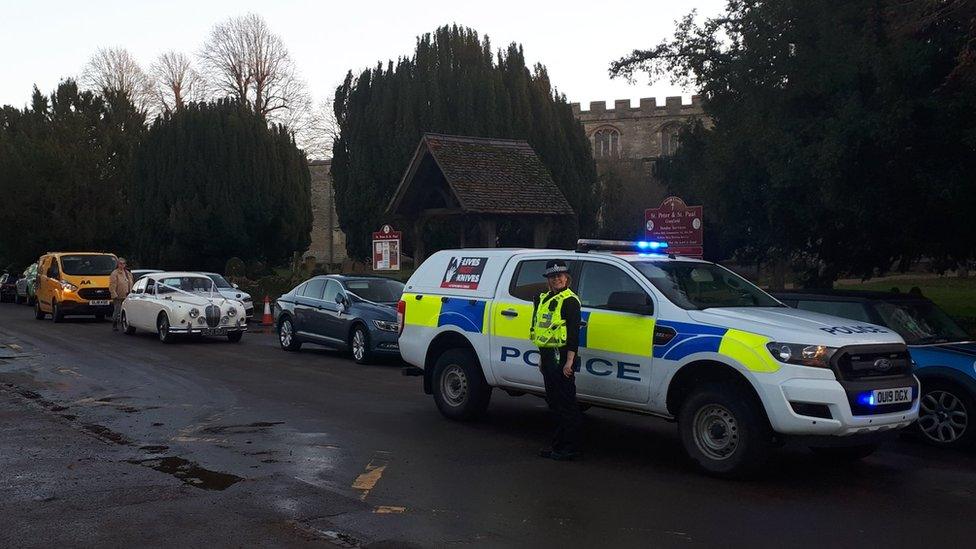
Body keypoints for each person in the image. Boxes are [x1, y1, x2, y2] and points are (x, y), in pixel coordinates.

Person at [531, 259, 583, 461]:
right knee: (554, 403)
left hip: (563, 358)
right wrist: (542, 359)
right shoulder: (544, 299)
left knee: (566, 404)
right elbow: (541, 329)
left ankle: (571, 448)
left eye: (560, 275)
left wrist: (570, 361)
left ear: (566, 278)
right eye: (553, 276)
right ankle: (558, 446)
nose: (557, 279)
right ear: (548, 280)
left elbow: (573, 335)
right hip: (548, 356)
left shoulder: (570, 300)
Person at [109, 258, 134, 331]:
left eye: (123, 264)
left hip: (128, 295)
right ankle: (114, 324)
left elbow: (131, 282)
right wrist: (114, 294)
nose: (122, 265)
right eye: (120, 263)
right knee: (117, 310)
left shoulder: (128, 273)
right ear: (117, 264)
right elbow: (112, 285)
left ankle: (126, 324)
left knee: (127, 310)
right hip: (118, 295)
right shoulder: (114, 273)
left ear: (125, 265)